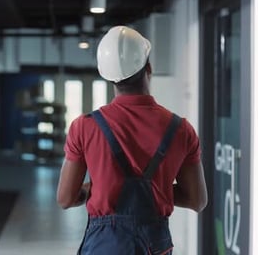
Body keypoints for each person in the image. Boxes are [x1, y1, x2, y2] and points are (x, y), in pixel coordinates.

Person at [56, 26, 207, 254]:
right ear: (149, 68)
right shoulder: (181, 130)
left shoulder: (84, 127)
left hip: (105, 244)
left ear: (108, 77)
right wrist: (158, 189)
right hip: (155, 245)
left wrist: (99, 188)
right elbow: (197, 200)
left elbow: (65, 198)